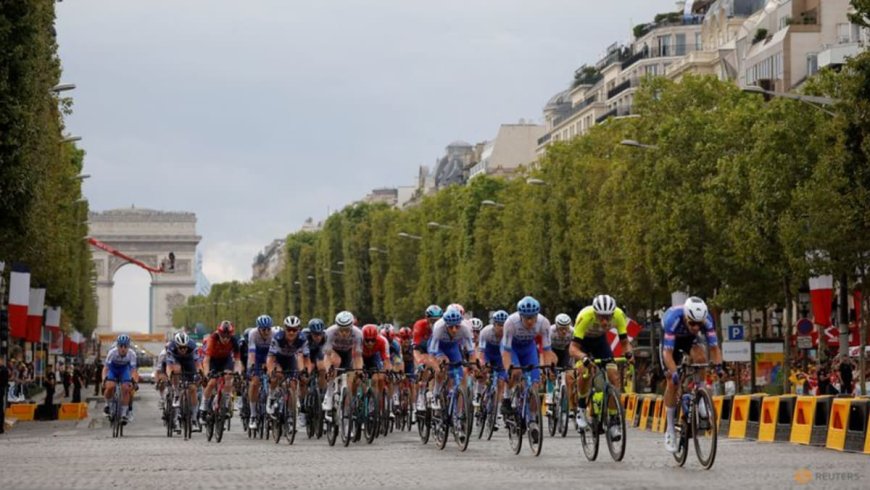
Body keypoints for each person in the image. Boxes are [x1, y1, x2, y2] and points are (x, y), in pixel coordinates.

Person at [660, 296, 722, 453]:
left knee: (701, 357)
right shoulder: (673, 319)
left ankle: (700, 395)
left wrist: (719, 367)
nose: (695, 327)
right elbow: (667, 353)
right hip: (671, 342)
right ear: (686, 317)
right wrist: (673, 373)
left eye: (698, 324)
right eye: (692, 323)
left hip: (689, 340)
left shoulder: (706, 320)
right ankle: (670, 430)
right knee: (672, 382)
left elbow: (714, 349)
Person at [569, 294, 634, 436]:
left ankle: (612, 420)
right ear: (595, 313)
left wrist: (629, 354)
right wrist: (584, 358)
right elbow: (573, 348)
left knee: (614, 377)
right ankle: (580, 409)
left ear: (612, 314)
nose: (605, 321)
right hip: (583, 343)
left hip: (600, 342)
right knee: (583, 371)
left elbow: (624, 343)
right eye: (601, 317)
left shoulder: (618, 315)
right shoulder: (585, 316)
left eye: (608, 317)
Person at [500, 296, 554, 418]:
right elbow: (506, 351)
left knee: (535, 385)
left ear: (537, 315)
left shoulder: (544, 323)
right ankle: (507, 397)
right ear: (520, 316)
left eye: (533, 318)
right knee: (516, 372)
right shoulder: (510, 323)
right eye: (526, 318)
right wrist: (509, 369)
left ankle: (533, 419)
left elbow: (547, 350)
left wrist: (548, 368)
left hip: (529, 349)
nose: (530, 322)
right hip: (512, 348)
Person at [321, 311, 363, 420]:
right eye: (341, 329)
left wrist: (359, 371)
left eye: (347, 329)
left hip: (347, 353)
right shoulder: (330, 332)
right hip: (333, 352)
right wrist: (328, 369)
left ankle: (346, 410)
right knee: (335, 364)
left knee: (351, 380)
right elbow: (327, 354)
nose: (344, 333)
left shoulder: (358, 333)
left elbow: (358, 356)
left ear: (352, 326)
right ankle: (329, 395)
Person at [266, 316, 306, 424]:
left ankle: (289, 413)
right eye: (289, 329)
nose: (292, 332)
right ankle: (272, 396)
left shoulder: (302, 338)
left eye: (294, 330)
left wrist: (302, 371)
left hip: (290, 359)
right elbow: (271, 358)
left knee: (293, 384)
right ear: (285, 329)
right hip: (277, 359)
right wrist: (271, 372)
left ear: (298, 329)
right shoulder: (278, 338)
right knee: (276, 376)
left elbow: (301, 356)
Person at [200, 320, 241, 419]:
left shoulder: (234, 341)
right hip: (213, 360)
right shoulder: (212, 339)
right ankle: (204, 406)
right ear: (219, 333)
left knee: (229, 378)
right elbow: (206, 360)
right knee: (212, 382)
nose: (226, 339)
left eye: (228, 336)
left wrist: (237, 373)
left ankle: (226, 404)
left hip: (225, 360)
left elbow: (237, 360)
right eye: (223, 336)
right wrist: (207, 374)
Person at [102, 334, 139, 424]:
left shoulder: (132, 354)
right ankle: (107, 404)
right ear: (117, 346)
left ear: (128, 347)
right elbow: (106, 368)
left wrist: (134, 381)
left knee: (126, 388)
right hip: (113, 369)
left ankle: (123, 414)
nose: (123, 348)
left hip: (124, 369)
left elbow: (133, 370)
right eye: (121, 346)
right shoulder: (112, 353)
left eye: (125, 346)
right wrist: (104, 379)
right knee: (110, 386)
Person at [247, 315, 274, 430]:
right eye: (264, 329)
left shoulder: (274, 334)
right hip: (256, 357)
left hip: (269, 356)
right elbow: (252, 353)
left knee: (274, 378)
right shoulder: (253, 334)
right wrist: (253, 367)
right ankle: (253, 415)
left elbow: (275, 353)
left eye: (268, 329)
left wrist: (270, 366)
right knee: (254, 383)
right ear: (258, 328)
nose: (266, 332)